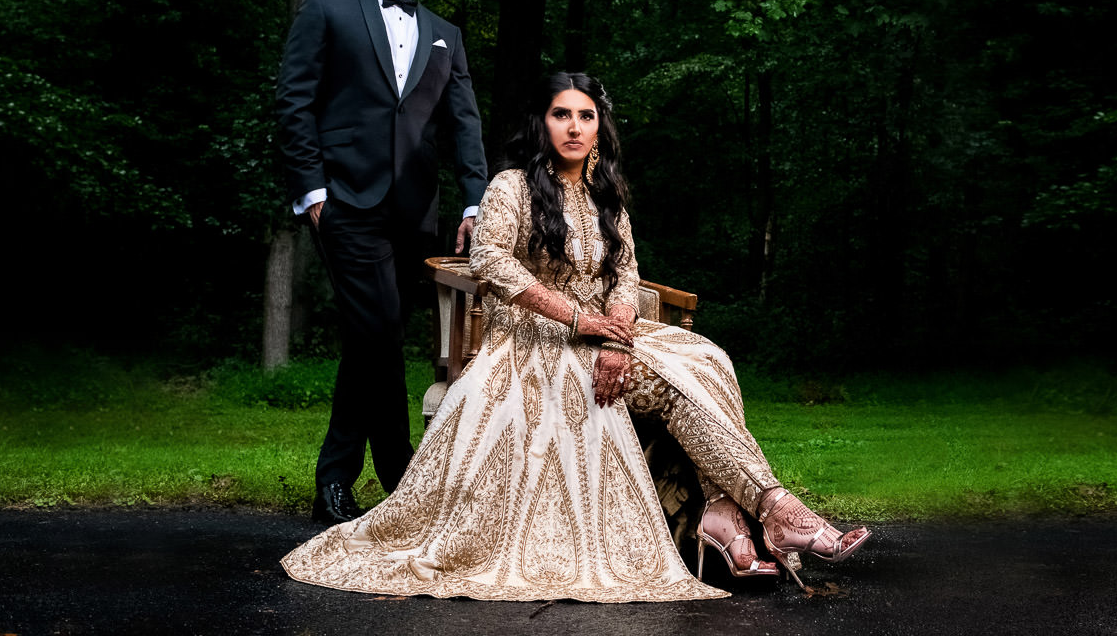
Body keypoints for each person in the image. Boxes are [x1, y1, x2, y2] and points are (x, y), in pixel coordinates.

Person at [281, 72, 869, 601]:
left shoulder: (605, 193)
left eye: (586, 116)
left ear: (598, 127)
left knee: (705, 358)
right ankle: (771, 511)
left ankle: (736, 511)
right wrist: (577, 320)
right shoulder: (511, 186)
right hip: (532, 341)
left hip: (603, 333)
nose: (574, 127)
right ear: (541, 123)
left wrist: (614, 339)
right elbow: (490, 261)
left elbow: (625, 272)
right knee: (673, 383)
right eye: (561, 114)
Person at [274, 0, 487, 525]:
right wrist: (313, 191)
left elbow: (464, 124)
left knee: (371, 337)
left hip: (414, 212)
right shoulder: (327, 8)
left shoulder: (446, 33)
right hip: (345, 201)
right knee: (382, 330)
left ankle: (335, 479)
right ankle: (401, 478)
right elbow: (294, 101)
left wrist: (474, 200)